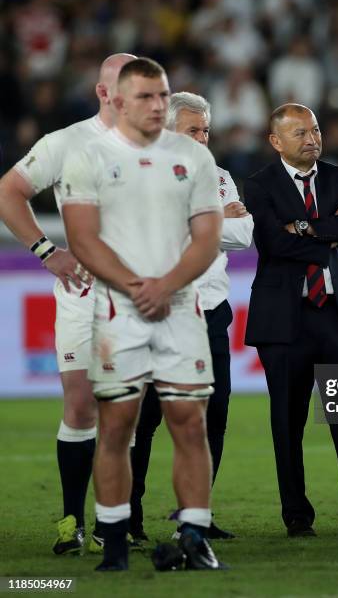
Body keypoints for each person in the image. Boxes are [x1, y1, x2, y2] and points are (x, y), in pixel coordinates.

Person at [61, 57, 225, 571]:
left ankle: (195, 537)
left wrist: (166, 286)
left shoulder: (198, 161)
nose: (156, 105)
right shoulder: (89, 157)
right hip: (118, 313)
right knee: (116, 428)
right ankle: (114, 544)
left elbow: (209, 237)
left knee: (189, 424)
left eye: (162, 95)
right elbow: (82, 238)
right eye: (146, 96)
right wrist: (137, 287)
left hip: (180, 310)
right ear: (120, 101)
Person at [0, 53, 136, 555]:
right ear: (103, 94)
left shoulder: (161, 145)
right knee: (80, 405)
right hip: (84, 293)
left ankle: (116, 523)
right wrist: (46, 251)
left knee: (126, 412)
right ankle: (71, 521)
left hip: (137, 295)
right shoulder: (66, 142)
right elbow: (9, 192)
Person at [244, 103, 338, 538]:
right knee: (287, 425)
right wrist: (327, 229)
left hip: (336, 317)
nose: (312, 138)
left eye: (315, 129)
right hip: (283, 322)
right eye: (300, 132)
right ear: (276, 142)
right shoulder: (258, 184)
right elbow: (272, 243)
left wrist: (303, 227)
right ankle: (297, 516)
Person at [128, 91, 254, 540]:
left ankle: (194, 515)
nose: (201, 139)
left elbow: (244, 235)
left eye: (205, 131)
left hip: (212, 312)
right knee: (145, 418)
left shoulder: (219, 176)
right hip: (159, 312)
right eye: (192, 131)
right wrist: (219, 217)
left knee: (214, 414)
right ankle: (130, 518)